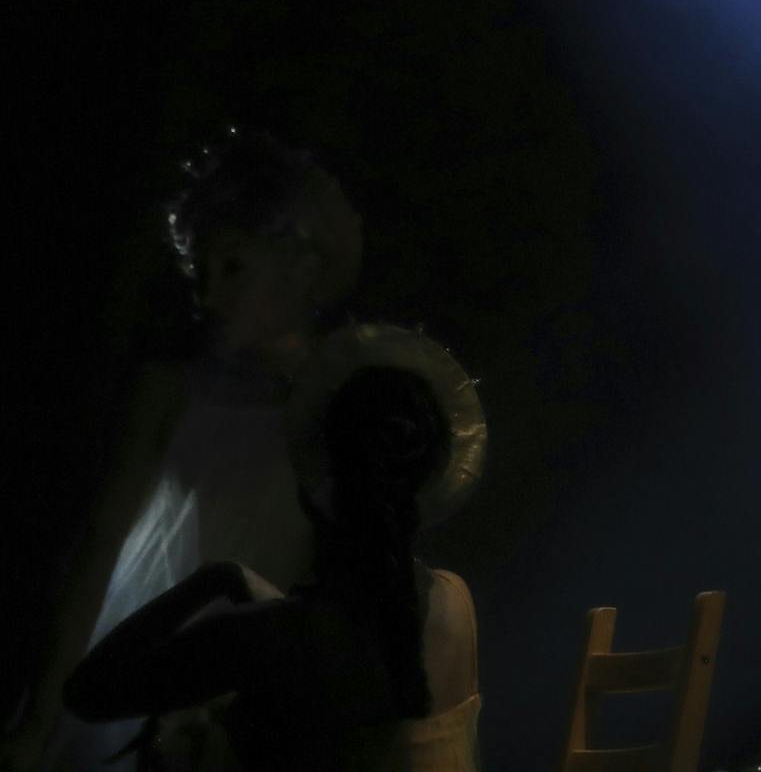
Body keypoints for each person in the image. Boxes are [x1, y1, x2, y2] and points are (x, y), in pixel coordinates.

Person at [8, 130, 365, 772]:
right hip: (133, 670)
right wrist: (39, 717)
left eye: (233, 267)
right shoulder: (171, 390)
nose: (208, 297)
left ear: (303, 264)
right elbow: (100, 543)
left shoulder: (340, 402)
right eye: (201, 273)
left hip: (253, 697)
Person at [62, 324, 487, 772]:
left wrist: (210, 582)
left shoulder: (264, 641)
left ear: (313, 484)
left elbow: (87, 692)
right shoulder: (455, 605)